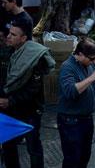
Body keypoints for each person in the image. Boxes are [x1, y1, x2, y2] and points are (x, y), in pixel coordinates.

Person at [0, 21, 54, 168]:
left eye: (13, 34)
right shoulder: (7, 52)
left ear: (23, 38)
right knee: (8, 145)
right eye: (9, 33)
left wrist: (10, 100)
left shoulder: (36, 56)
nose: (8, 37)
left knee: (33, 146)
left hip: (29, 110)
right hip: (8, 110)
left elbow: (33, 88)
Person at [58, 38, 95, 168]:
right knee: (73, 160)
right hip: (71, 121)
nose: (94, 62)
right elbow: (71, 91)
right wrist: (92, 77)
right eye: (92, 59)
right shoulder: (67, 67)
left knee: (84, 157)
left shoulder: (89, 64)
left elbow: (92, 86)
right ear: (80, 54)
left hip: (86, 119)